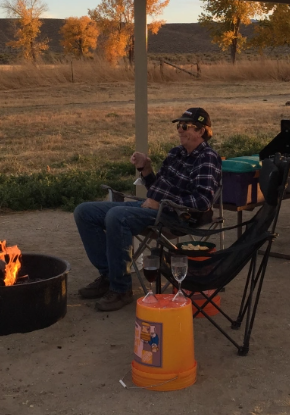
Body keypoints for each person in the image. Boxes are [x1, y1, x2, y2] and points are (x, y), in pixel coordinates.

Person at [73, 107, 222, 311]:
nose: (179, 130)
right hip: (152, 207)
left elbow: (202, 201)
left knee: (117, 216)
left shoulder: (207, 157)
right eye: (178, 125)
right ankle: (109, 276)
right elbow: (156, 188)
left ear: (201, 131)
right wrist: (146, 169)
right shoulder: (176, 153)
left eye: (185, 126)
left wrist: (162, 202)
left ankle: (121, 289)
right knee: (84, 211)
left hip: (179, 216)